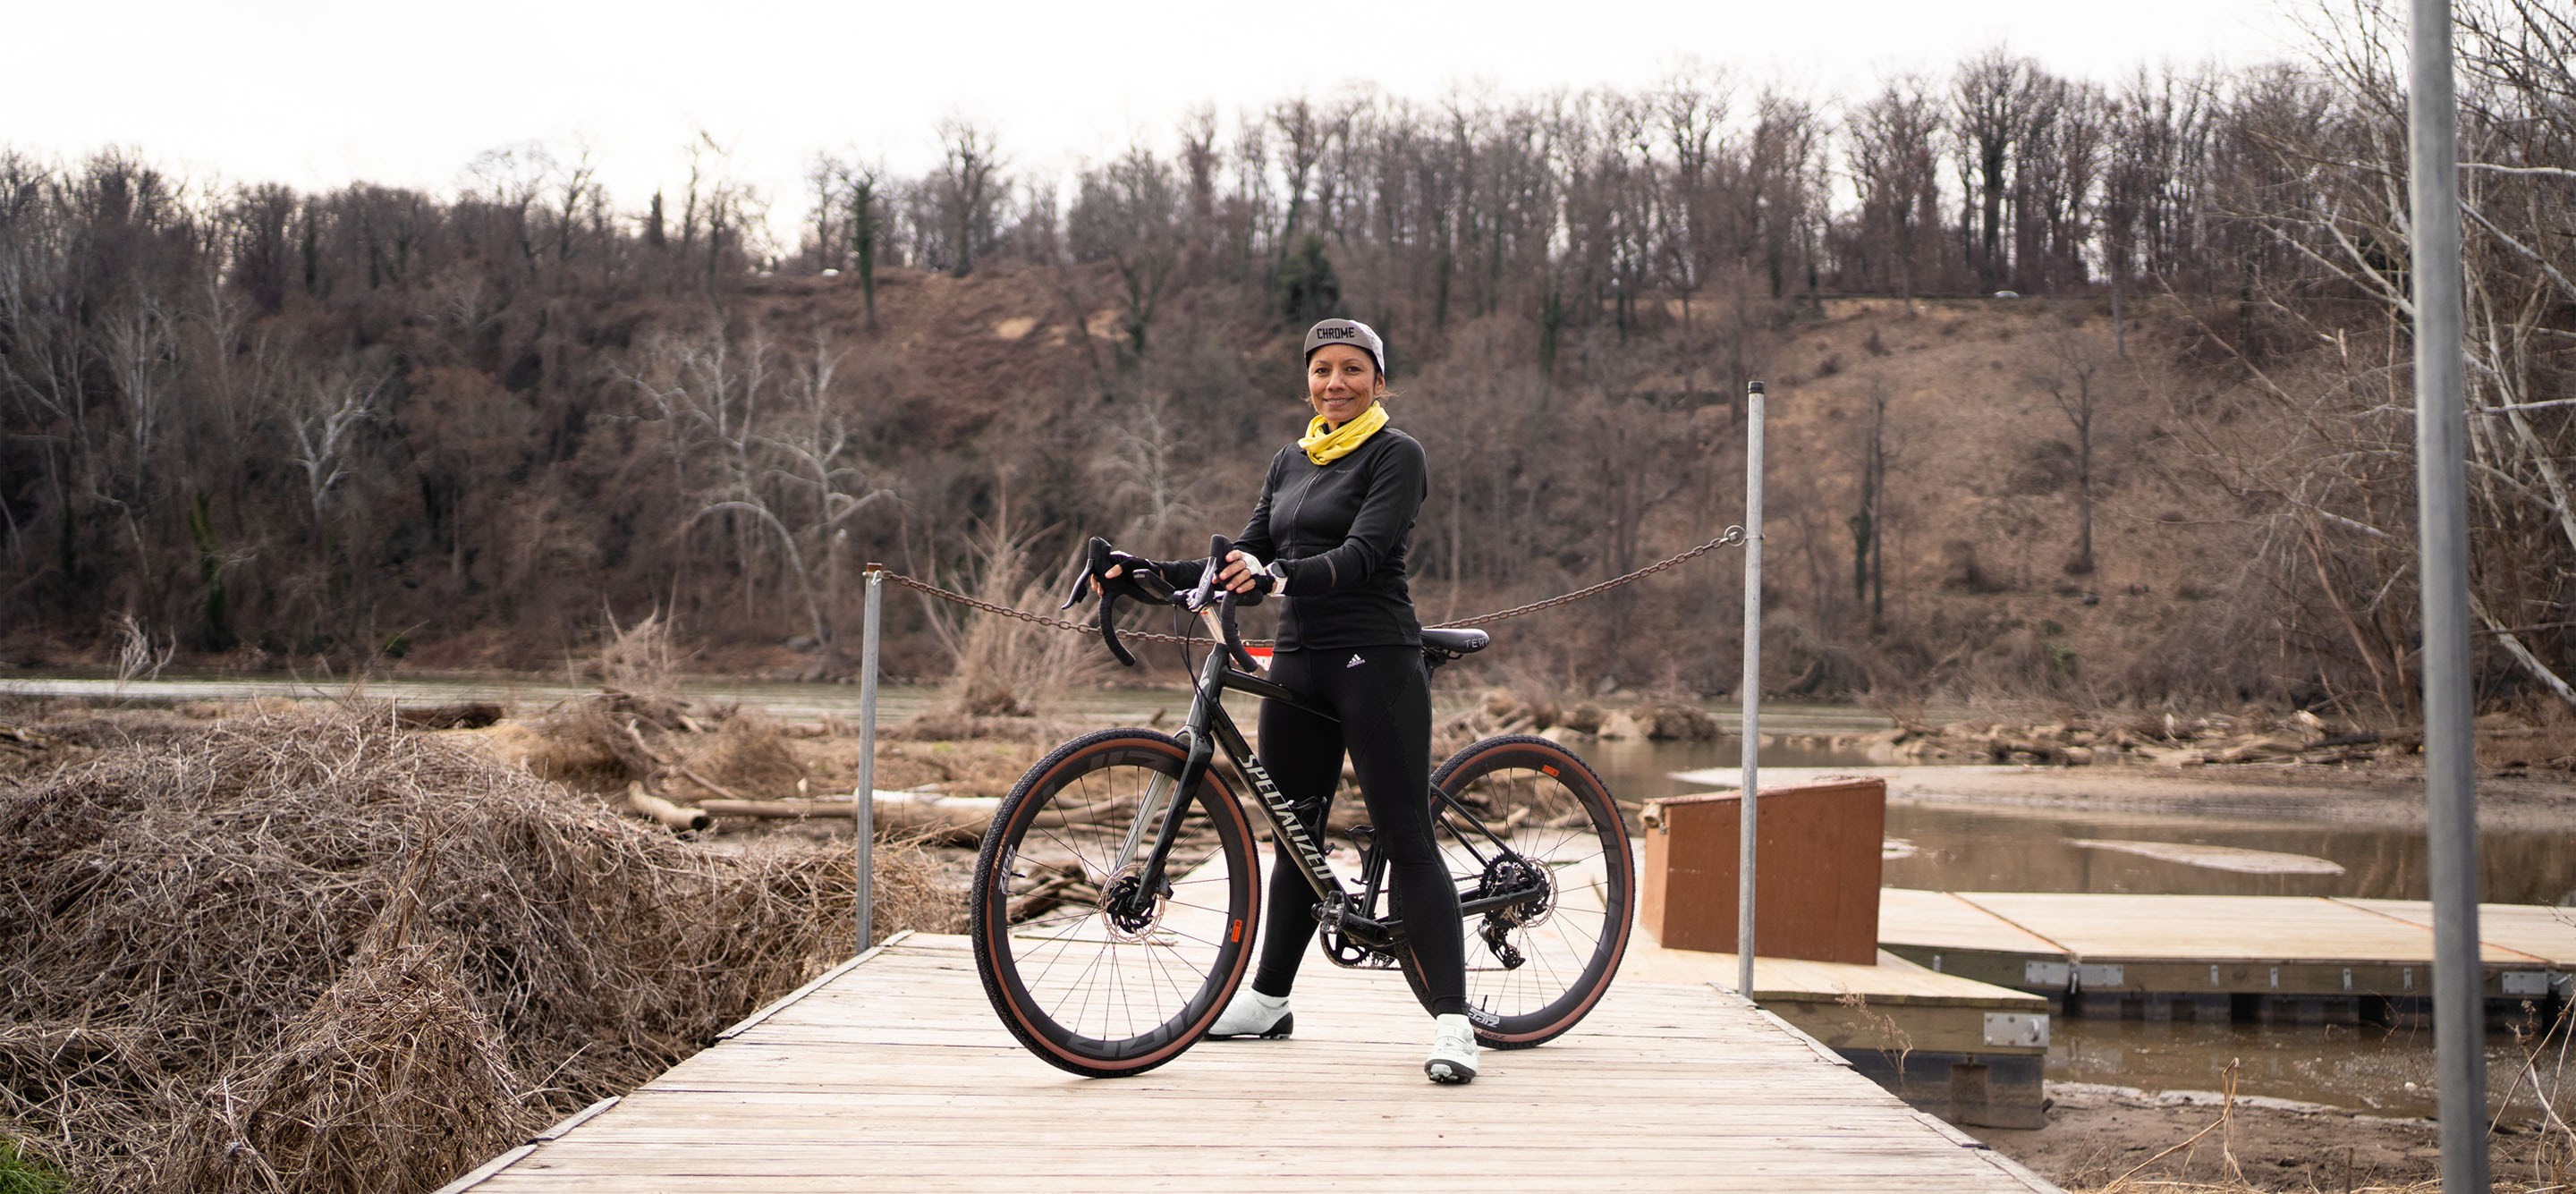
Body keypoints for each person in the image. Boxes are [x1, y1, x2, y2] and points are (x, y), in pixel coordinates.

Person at [1105, 318, 1477, 1084]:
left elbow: (1363, 554)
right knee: (1295, 836)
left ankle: (1453, 1022)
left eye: (1351, 369)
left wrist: (1279, 579)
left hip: (1374, 655)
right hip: (1300, 661)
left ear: (1378, 379)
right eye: (1321, 370)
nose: (1334, 383)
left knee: (1406, 836)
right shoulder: (1292, 459)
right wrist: (1142, 572)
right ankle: (1270, 999)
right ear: (1307, 381)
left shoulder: (1395, 453)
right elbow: (1242, 558)